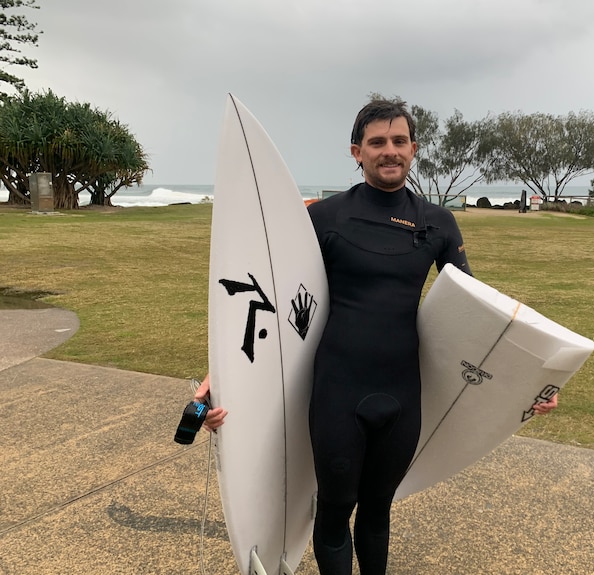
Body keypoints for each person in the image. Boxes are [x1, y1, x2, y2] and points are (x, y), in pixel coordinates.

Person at [195, 98, 557, 575]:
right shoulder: (324, 218)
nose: (390, 151)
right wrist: (219, 376)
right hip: (338, 392)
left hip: (402, 395)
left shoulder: (437, 224)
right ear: (356, 152)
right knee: (333, 510)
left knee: (378, 511)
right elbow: (271, 301)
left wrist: (528, 383)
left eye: (399, 141)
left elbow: (480, 317)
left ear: (414, 149)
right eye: (377, 142)